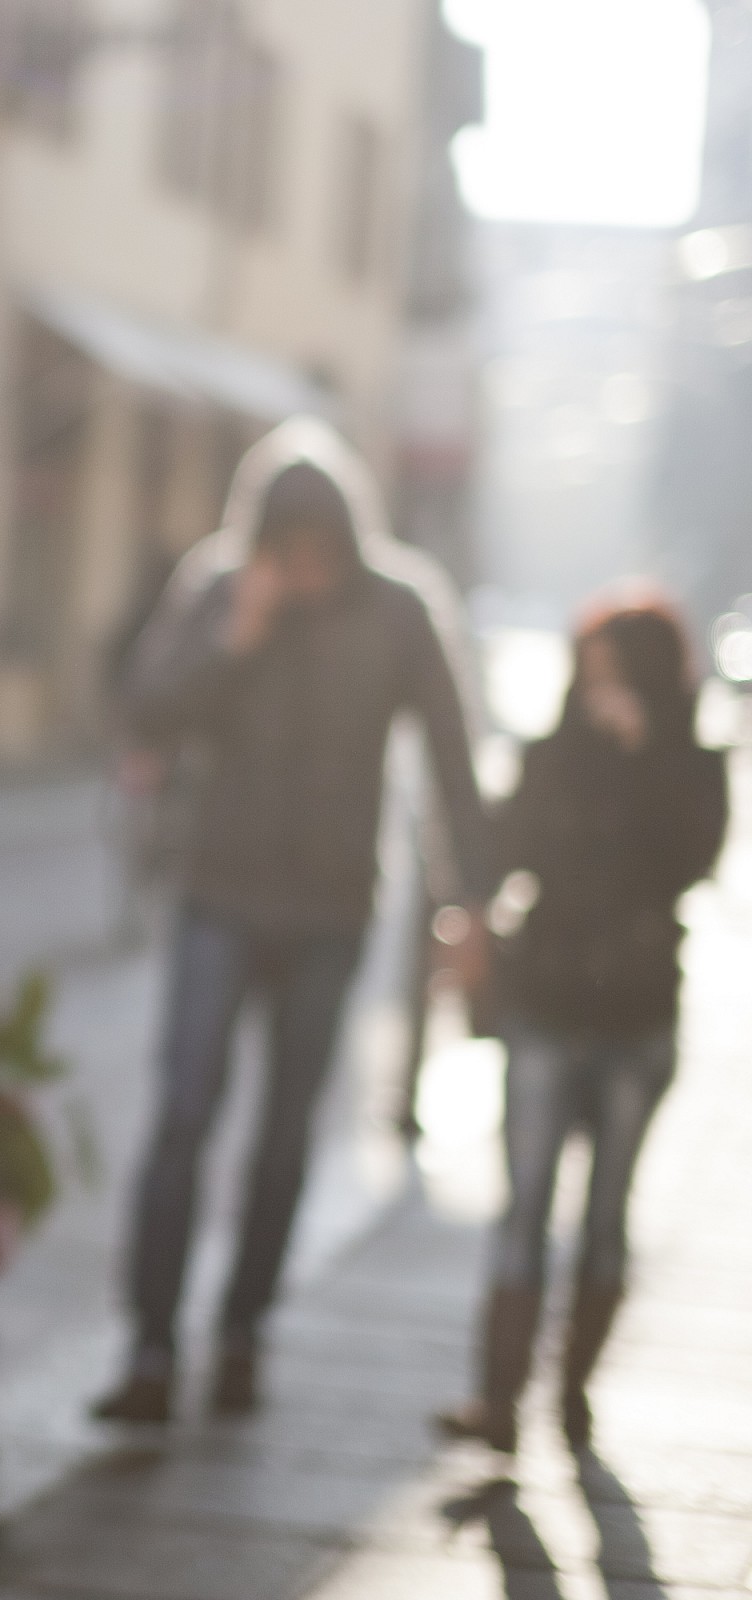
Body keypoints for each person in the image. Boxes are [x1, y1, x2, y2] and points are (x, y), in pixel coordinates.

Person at [91, 420, 495, 1424]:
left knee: (285, 1137)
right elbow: (146, 712)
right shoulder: (222, 588)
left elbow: (454, 761)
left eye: (321, 553)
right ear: (263, 537)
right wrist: (238, 639)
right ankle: (150, 1348)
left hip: (330, 910)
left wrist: (470, 901)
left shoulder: (401, 608)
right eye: (289, 551)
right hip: (217, 894)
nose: (305, 570)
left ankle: (242, 1334)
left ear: (348, 541)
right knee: (184, 1114)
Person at [437, 592, 729, 1453]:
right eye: (589, 671)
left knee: (607, 1216)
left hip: (638, 1016)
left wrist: (648, 752)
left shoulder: (691, 762)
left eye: (616, 673)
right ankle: (497, 1402)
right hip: (549, 1003)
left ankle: (573, 1396)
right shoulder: (552, 753)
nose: (599, 690)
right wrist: (470, 914)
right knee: (523, 1206)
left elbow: (697, 857)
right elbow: (501, 846)